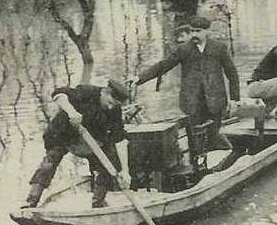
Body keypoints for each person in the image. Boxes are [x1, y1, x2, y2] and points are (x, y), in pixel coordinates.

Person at [22, 79, 132, 209]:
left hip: (90, 140)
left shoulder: (114, 110)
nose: (110, 107)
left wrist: (125, 171)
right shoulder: (87, 92)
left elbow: (119, 138)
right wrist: (71, 112)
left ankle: (98, 203)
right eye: (109, 103)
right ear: (104, 92)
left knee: (110, 160)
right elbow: (58, 94)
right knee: (49, 162)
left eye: (114, 105)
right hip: (63, 134)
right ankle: (31, 201)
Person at [137, 15, 239, 144]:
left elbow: (232, 73)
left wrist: (235, 99)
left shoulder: (219, 48)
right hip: (192, 101)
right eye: (192, 31)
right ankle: (196, 161)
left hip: (215, 100)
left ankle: (215, 159)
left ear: (207, 31)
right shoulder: (183, 49)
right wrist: (140, 78)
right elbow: (164, 65)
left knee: (214, 136)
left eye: (198, 31)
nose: (194, 34)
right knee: (195, 138)